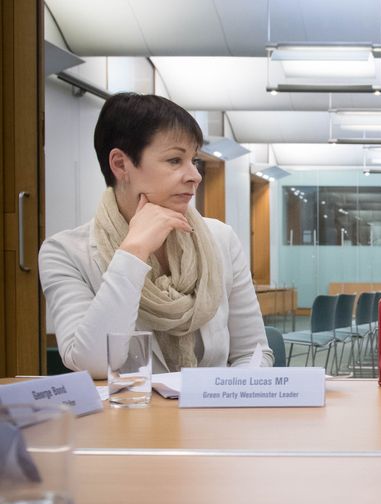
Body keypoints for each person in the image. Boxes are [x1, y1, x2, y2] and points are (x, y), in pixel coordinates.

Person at [39, 92, 272, 379]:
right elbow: (94, 364)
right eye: (175, 160)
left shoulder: (220, 239)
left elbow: (253, 352)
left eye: (194, 160)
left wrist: (229, 397)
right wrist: (133, 253)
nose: (195, 176)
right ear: (121, 164)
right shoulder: (64, 252)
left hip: (216, 416)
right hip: (127, 419)